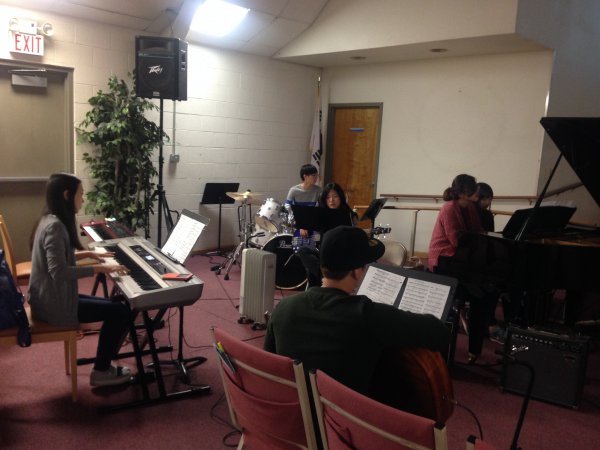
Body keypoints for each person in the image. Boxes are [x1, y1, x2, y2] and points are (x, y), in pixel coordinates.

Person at [264, 225, 450, 396]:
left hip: (294, 409)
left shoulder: (283, 308)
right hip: (344, 418)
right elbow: (439, 332)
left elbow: (271, 364)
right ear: (356, 271)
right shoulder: (368, 315)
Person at [28, 173, 133, 387]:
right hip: (53, 306)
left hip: (48, 298)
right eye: (81, 194)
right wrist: (99, 268)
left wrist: (88, 254)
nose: (83, 199)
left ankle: (104, 364)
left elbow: (58, 258)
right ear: (67, 195)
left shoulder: (48, 218)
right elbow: (59, 271)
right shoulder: (55, 226)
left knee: (118, 305)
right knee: (120, 312)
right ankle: (101, 372)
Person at [296, 182, 358, 287]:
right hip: (324, 253)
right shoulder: (321, 212)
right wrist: (303, 226)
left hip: (340, 255)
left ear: (341, 197)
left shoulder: (348, 214)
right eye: (328, 197)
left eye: (335, 196)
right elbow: (308, 222)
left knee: (311, 271)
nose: (331, 200)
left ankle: (319, 282)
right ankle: (323, 275)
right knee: (303, 251)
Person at [285, 164, 322, 251]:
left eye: (317, 175)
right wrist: (301, 225)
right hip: (298, 222)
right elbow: (287, 206)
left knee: (315, 246)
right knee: (299, 247)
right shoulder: (294, 190)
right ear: (305, 176)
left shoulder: (318, 190)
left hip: (312, 221)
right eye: (313, 175)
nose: (316, 178)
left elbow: (321, 208)